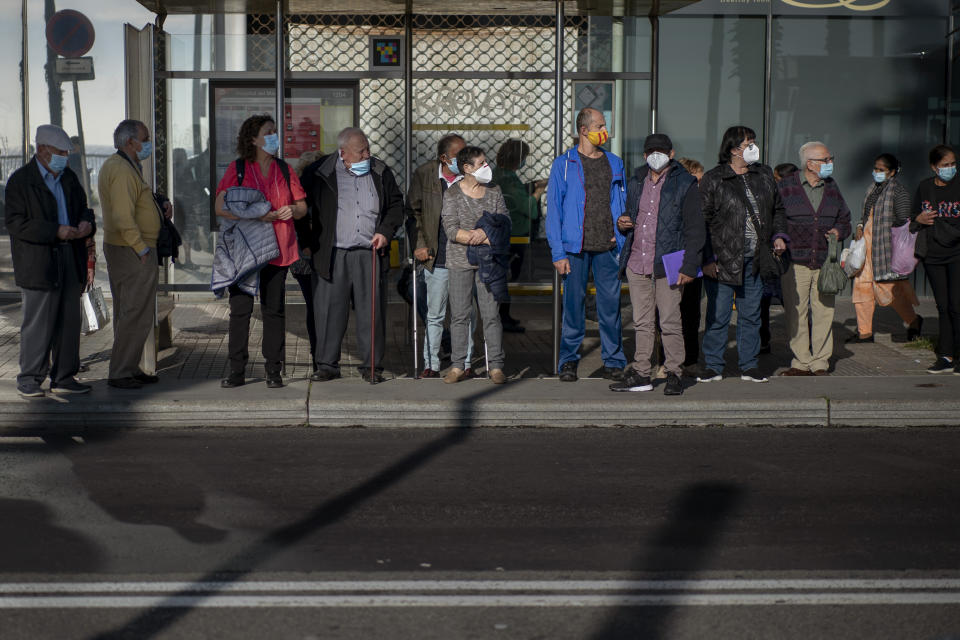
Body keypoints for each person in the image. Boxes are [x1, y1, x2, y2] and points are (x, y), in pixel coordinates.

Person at [298, 127, 404, 383]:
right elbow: (300, 206)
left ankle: (371, 367)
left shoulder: (380, 170)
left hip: (369, 251)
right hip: (332, 253)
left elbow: (396, 205)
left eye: (368, 149)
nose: (367, 155)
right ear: (343, 153)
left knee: (372, 312)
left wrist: (385, 232)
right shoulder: (320, 171)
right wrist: (307, 242)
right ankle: (327, 365)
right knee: (328, 311)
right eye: (361, 151)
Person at [214, 114, 307, 388]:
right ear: (253, 139)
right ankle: (237, 371)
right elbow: (220, 207)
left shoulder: (284, 168)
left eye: (275, 132)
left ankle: (273, 371)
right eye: (269, 132)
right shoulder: (238, 168)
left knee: (274, 310)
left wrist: (294, 210)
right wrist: (256, 215)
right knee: (240, 310)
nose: (274, 137)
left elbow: (302, 206)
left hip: (278, 249)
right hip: (246, 251)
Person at [5, 124, 96, 397]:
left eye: (66, 152)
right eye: (60, 151)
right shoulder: (21, 181)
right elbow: (16, 223)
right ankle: (30, 378)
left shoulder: (68, 178)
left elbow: (84, 208)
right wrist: (54, 230)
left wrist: (86, 224)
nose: (64, 157)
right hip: (39, 261)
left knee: (70, 321)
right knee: (38, 322)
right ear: (42, 149)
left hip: (71, 255)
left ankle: (64, 376)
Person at [610, 134, 704, 396]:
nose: (656, 155)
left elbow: (695, 228)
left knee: (671, 321)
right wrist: (623, 221)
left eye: (661, 151)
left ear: (671, 154)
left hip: (670, 261)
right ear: (644, 155)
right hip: (637, 259)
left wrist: (688, 265)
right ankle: (642, 373)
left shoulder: (685, 182)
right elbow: (630, 213)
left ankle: (674, 372)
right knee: (641, 322)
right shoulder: (637, 179)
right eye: (651, 151)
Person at [698, 125, 788, 384]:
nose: (754, 147)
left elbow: (778, 211)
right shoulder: (715, 178)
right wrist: (706, 258)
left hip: (756, 259)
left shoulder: (764, 175)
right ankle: (714, 365)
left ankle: (749, 365)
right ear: (733, 149)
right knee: (719, 314)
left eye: (754, 142)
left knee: (751, 315)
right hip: (723, 259)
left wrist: (779, 235)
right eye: (749, 143)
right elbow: (701, 220)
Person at [546, 107, 627, 382]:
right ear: (584, 130)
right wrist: (558, 252)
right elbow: (554, 211)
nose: (605, 130)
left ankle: (614, 361)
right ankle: (568, 361)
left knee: (610, 307)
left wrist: (622, 233)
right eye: (600, 125)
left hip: (608, 246)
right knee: (573, 308)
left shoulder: (614, 162)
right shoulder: (563, 164)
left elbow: (621, 202)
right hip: (574, 248)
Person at [99, 119, 168, 389]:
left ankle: (129, 366)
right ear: (130, 142)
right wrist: (140, 248)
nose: (148, 143)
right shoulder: (121, 169)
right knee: (134, 312)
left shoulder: (127, 167)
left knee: (132, 312)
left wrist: (160, 204)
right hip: (132, 250)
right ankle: (121, 372)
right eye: (145, 138)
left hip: (131, 248)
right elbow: (122, 215)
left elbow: (136, 204)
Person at [777, 141, 851, 376]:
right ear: (810, 164)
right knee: (795, 311)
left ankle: (820, 362)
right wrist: (778, 237)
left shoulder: (831, 187)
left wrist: (839, 232)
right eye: (826, 160)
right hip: (794, 260)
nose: (830, 164)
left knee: (823, 311)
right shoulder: (786, 187)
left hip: (823, 261)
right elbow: (774, 219)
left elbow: (845, 219)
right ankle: (801, 361)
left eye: (831, 159)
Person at [440, 146, 509, 384]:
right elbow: (450, 229)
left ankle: (496, 365)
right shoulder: (452, 194)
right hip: (460, 262)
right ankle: (458, 365)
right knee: (460, 315)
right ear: (467, 168)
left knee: (491, 315)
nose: (486, 167)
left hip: (490, 262)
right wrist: (474, 236)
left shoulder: (494, 191)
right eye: (481, 163)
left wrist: (484, 233)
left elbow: (505, 221)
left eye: (485, 162)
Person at [408, 134, 476, 378]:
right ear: (444, 158)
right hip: (437, 255)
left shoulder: (473, 173)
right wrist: (419, 243)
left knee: (464, 313)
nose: (466, 159)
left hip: (466, 256)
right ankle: (431, 364)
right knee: (435, 313)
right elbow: (413, 212)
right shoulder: (426, 174)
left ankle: (466, 362)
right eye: (460, 155)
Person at [849, 153, 922, 344]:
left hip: (886, 250)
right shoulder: (872, 189)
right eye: (875, 169)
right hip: (867, 248)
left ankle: (913, 322)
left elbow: (904, 222)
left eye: (881, 170)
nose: (876, 173)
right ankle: (864, 332)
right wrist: (859, 227)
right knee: (862, 288)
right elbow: (864, 215)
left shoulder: (899, 191)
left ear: (891, 172)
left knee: (889, 290)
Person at [912, 144, 960, 374]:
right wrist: (919, 218)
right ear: (934, 167)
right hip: (933, 254)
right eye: (945, 165)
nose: (950, 168)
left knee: (957, 305)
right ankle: (946, 355)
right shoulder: (925, 187)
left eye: (953, 164)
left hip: (957, 253)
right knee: (942, 306)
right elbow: (912, 218)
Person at [493, 138, 547, 332]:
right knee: (508, 277)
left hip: (501, 234)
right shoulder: (508, 179)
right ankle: (502, 318)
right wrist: (538, 191)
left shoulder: (497, 174)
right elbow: (528, 208)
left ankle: (503, 316)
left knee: (503, 278)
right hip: (514, 235)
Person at [292, 150, 325, 373]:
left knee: (314, 306)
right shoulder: (304, 192)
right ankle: (319, 354)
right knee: (317, 307)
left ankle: (318, 355)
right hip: (307, 257)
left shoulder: (303, 190)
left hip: (302, 259)